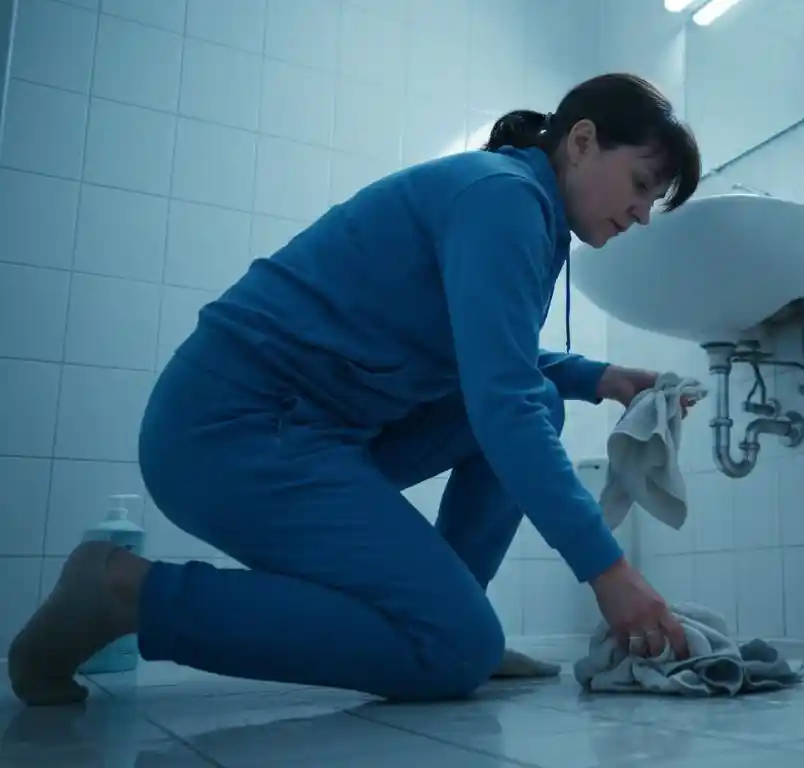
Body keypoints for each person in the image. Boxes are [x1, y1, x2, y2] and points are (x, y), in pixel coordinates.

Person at [8, 73, 701, 707]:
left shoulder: (519, 204)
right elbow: (502, 401)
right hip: (229, 431)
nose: (643, 214)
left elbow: (497, 359)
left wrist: (596, 378)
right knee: (455, 646)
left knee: (539, 406)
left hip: (310, 429)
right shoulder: (506, 199)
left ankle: (450, 612)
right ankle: (125, 592)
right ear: (582, 142)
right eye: (641, 184)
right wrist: (609, 573)